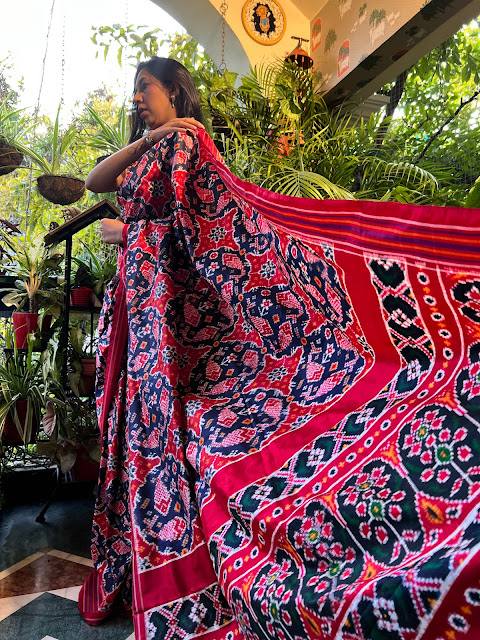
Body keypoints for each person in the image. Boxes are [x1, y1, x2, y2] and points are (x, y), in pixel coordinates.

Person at [79, 57, 480, 640]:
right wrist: (153, 137)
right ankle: (140, 556)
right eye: (135, 89)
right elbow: (96, 180)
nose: (136, 96)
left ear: (173, 89)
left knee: (173, 424)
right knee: (137, 421)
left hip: (168, 310)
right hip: (137, 305)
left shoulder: (193, 145)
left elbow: (211, 230)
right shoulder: (157, 146)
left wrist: (131, 231)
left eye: (146, 87)